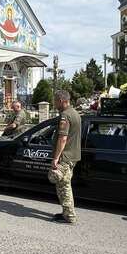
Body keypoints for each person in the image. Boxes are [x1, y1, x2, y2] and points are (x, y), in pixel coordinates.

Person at [48, 90, 82, 224]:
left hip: (65, 156)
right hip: (72, 155)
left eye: (55, 101)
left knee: (63, 185)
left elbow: (63, 138)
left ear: (61, 101)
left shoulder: (65, 116)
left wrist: (56, 158)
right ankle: (66, 212)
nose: (54, 103)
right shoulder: (75, 113)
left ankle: (69, 215)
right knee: (63, 184)